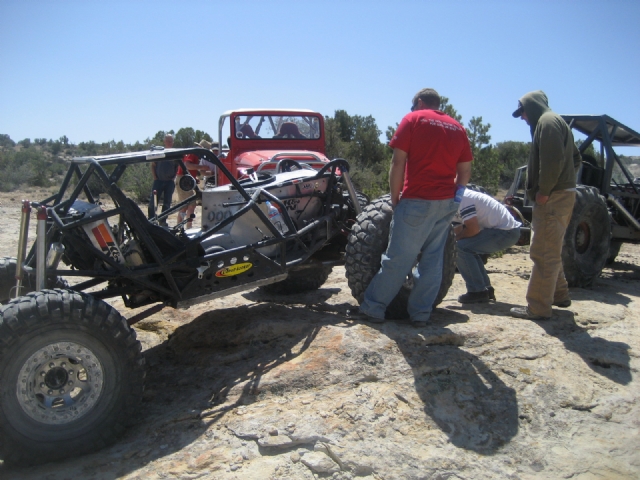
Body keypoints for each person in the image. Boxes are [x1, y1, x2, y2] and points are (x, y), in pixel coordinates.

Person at [354, 88, 473, 326]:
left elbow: (398, 162)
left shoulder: (414, 119)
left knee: (397, 259)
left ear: (419, 102)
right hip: (445, 203)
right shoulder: (458, 128)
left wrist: (395, 197)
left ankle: (373, 308)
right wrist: (455, 198)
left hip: (417, 199)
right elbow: (465, 170)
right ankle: (420, 314)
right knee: (432, 261)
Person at [510, 90, 582, 320]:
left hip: (553, 197)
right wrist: (565, 181)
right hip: (562, 195)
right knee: (551, 248)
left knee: (542, 251)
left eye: (522, 112)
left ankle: (538, 307)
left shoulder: (547, 122)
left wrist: (545, 190)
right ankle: (559, 294)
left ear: (531, 107)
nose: (523, 118)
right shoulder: (555, 121)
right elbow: (577, 159)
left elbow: (552, 160)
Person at [453, 189, 521, 303]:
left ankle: (477, 291)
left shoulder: (463, 198)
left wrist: (454, 243)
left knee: (461, 248)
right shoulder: (453, 201)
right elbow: (458, 231)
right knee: (466, 248)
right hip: (503, 231)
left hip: (506, 231)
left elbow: (473, 230)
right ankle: (485, 289)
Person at [175, 139, 215, 229]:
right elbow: (187, 165)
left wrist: (194, 178)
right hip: (183, 180)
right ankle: (184, 227)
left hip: (186, 180)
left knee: (187, 205)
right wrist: (202, 167)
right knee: (189, 205)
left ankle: (182, 226)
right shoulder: (193, 154)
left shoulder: (193, 154)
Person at [149, 134, 178, 225]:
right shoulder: (159, 153)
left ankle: (163, 220)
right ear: (164, 141)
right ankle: (151, 220)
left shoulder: (174, 154)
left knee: (167, 202)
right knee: (153, 202)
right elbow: (153, 165)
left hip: (169, 182)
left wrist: (173, 178)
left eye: (171, 141)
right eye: (168, 141)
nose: (169, 142)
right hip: (158, 181)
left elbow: (177, 167)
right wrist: (155, 177)